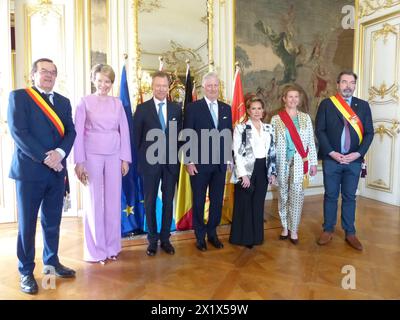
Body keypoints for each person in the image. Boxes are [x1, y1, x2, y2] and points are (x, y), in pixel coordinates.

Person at [7, 58, 76, 294]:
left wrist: (59, 153)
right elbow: (19, 133)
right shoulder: (19, 97)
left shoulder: (64, 102)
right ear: (33, 74)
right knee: (27, 225)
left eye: (53, 72)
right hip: (29, 172)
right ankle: (26, 271)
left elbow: (71, 132)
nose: (49, 75)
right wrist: (46, 157)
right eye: (44, 71)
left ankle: (52, 262)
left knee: (52, 222)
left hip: (56, 173)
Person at [74, 64, 131, 264]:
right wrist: (79, 161)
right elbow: (77, 133)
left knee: (113, 201)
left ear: (111, 83)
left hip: (115, 154)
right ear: (93, 80)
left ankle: (112, 247)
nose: (104, 85)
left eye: (107, 81)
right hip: (91, 154)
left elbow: (124, 131)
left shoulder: (117, 104)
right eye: (100, 80)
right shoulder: (84, 102)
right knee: (94, 201)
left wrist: (125, 159)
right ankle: (95, 251)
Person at [315, 71, 374, 251]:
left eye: (351, 82)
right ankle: (328, 229)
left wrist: (358, 154)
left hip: (353, 160)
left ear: (355, 85)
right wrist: (332, 152)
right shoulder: (327, 104)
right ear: (338, 84)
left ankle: (350, 232)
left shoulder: (363, 106)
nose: (348, 85)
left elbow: (369, 133)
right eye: (344, 82)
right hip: (332, 159)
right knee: (331, 195)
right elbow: (320, 130)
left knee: (350, 196)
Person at [133, 71, 182, 256]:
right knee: (150, 202)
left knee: (168, 201)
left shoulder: (177, 109)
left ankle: (166, 238)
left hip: (170, 164)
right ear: (152, 87)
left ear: (168, 87)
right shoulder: (142, 109)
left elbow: (179, 137)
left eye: (164, 85)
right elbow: (136, 139)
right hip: (149, 164)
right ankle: (152, 240)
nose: (161, 88)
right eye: (158, 85)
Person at [184, 71, 233, 251]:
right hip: (199, 164)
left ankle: (212, 233)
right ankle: (200, 236)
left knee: (217, 200)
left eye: (215, 85)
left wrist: (229, 159)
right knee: (198, 201)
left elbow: (228, 135)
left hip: (220, 164)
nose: (213, 88)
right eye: (209, 85)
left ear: (218, 87)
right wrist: (188, 161)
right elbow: (187, 135)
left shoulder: (226, 108)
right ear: (204, 87)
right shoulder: (192, 108)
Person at [271, 84, 318, 244]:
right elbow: (272, 144)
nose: (293, 99)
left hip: (300, 163)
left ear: (299, 99)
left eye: (296, 97)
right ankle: (285, 227)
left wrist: (312, 163)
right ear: (284, 99)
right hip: (282, 163)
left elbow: (311, 142)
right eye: (290, 96)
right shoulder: (276, 119)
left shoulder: (305, 118)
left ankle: (294, 229)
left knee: (297, 196)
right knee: (283, 196)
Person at [230, 94, 277, 249]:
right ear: (248, 111)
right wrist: (243, 174)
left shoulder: (269, 128)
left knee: (258, 203)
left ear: (263, 111)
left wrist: (272, 172)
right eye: (253, 109)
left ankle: (257, 236)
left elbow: (272, 151)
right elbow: (237, 152)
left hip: (263, 168)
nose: (257, 112)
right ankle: (243, 238)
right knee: (244, 203)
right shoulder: (241, 128)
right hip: (247, 169)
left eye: (259, 109)